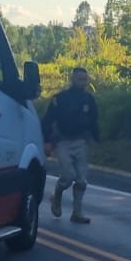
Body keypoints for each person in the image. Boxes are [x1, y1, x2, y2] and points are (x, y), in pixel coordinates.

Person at [41, 66, 99, 223]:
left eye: (85, 79)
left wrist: (96, 140)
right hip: (63, 142)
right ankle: (57, 195)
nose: (83, 82)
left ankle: (77, 213)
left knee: (81, 180)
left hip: (81, 141)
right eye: (79, 79)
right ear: (72, 79)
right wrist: (47, 141)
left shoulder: (89, 99)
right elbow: (47, 120)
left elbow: (94, 121)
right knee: (68, 176)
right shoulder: (60, 98)